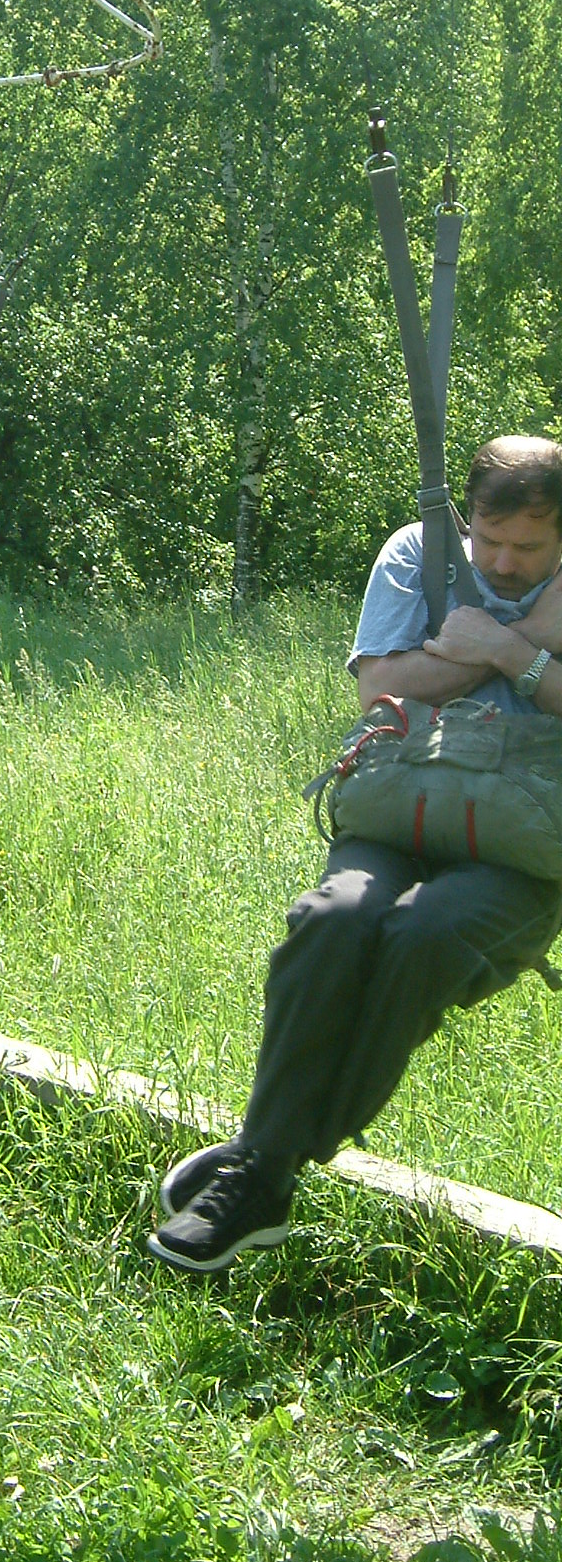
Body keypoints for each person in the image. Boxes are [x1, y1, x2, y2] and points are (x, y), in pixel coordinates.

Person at [151, 436, 562, 1273]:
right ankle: (265, 1171)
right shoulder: (418, 553)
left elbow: (421, 674)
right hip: (396, 806)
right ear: (466, 519)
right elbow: (381, 686)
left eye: (528, 547)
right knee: (333, 916)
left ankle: (259, 1165)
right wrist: (530, 652)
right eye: (489, 541)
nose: (502, 563)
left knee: (426, 933)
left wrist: (495, 648)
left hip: (525, 842)